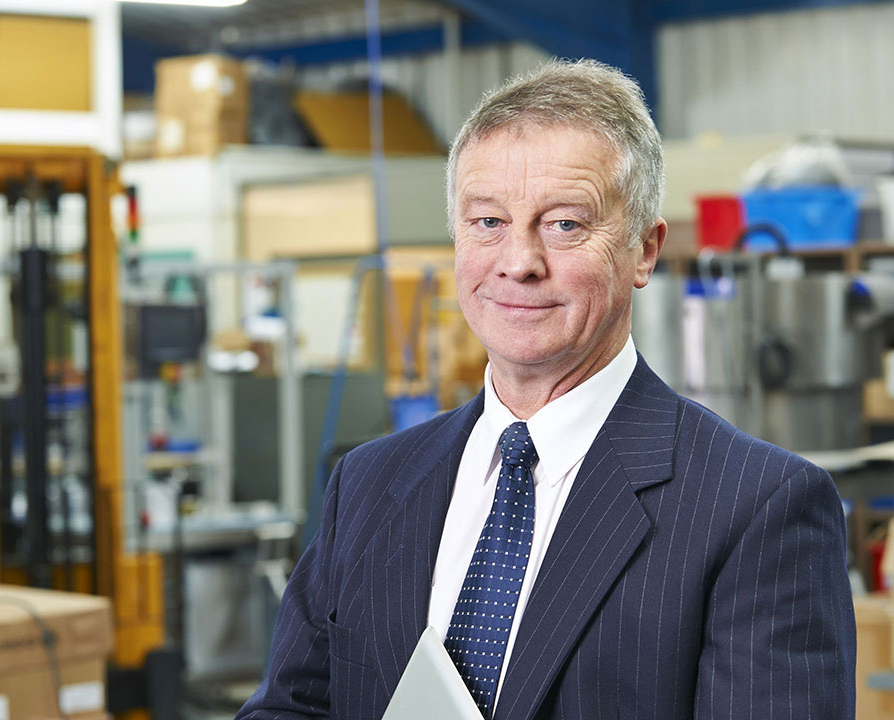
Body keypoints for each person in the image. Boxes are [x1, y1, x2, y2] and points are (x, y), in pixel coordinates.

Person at [237, 59, 855, 720]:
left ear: (644, 249)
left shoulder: (758, 510)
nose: (518, 262)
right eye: (488, 222)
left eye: (564, 224)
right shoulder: (364, 485)